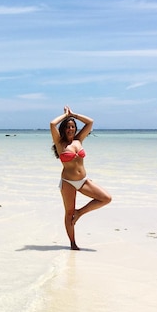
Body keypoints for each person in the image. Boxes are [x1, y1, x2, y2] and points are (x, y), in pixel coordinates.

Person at [50, 106, 112, 250]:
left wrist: (74, 115)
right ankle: (73, 243)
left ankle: (80, 213)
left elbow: (90, 122)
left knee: (106, 198)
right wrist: (65, 115)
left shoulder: (79, 140)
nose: (70, 129)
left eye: (72, 127)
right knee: (68, 213)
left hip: (83, 181)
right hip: (68, 182)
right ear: (63, 129)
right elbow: (52, 124)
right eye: (67, 127)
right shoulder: (60, 143)